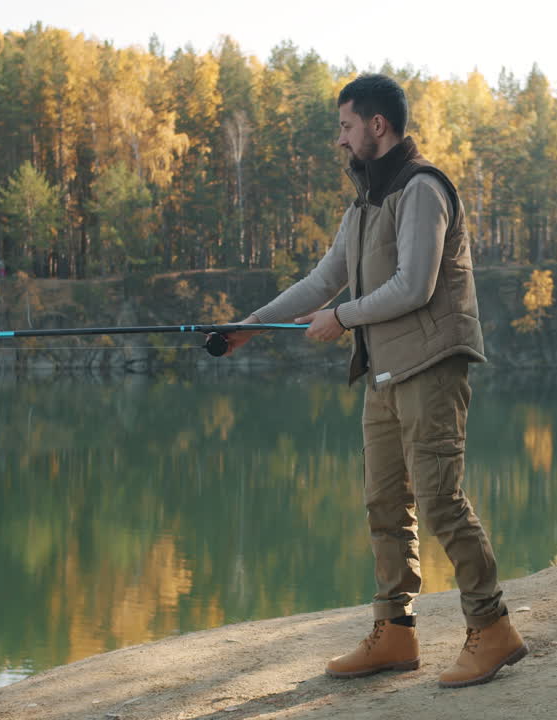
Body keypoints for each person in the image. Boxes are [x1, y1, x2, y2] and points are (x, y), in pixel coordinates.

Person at [224, 73, 527, 689]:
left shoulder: (422, 190)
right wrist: (246, 327)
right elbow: (321, 280)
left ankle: (492, 627)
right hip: (384, 374)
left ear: (377, 126)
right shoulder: (365, 202)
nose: (340, 140)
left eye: (345, 126)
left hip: (431, 367)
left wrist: (342, 318)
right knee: (385, 506)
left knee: (441, 501)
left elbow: (413, 285)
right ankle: (394, 633)